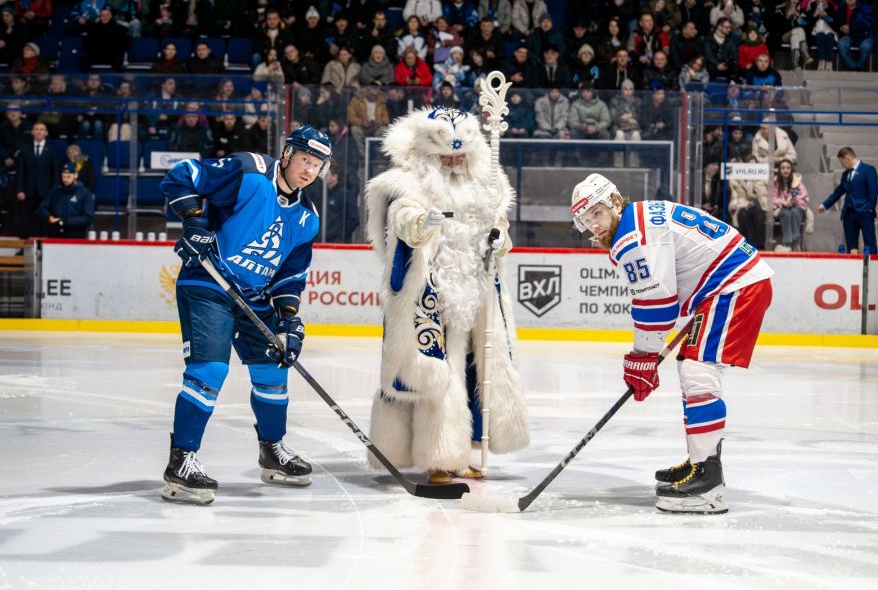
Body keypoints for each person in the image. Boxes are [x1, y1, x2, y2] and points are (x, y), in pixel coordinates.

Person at [569, 174, 773, 514]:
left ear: (616, 202)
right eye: (586, 221)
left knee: (697, 370)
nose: (594, 227)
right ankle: (699, 462)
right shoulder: (640, 219)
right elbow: (668, 295)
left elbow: (657, 304)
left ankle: (708, 482)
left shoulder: (632, 236)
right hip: (729, 284)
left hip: (734, 286)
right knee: (692, 367)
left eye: (597, 214)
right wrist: (645, 354)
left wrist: (642, 357)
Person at [159, 126, 332, 505]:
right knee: (210, 370)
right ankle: (181, 461)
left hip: (253, 299)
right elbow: (183, 175)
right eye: (304, 159)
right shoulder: (251, 172)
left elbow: (290, 276)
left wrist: (288, 320)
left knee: (273, 368)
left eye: (317, 165)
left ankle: (272, 451)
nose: (308, 171)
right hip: (208, 282)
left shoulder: (307, 217)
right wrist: (194, 222)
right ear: (287, 155)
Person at [365, 107, 529, 484]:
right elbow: (402, 223)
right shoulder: (406, 184)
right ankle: (439, 456)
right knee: (440, 372)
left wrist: (499, 239)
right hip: (431, 295)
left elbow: (500, 234)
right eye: (446, 157)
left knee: (474, 373)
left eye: (460, 156)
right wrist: (422, 225)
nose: (454, 163)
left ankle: (463, 451)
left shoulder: (487, 186)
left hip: (478, 293)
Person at [817, 146, 878, 254]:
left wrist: (869, 209)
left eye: (842, 162)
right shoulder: (845, 174)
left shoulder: (868, 170)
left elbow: (873, 191)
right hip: (849, 214)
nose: (842, 165)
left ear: (847, 159)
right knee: (851, 246)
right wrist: (824, 205)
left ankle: (872, 268)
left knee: (870, 244)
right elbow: (838, 192)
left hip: (865, 213)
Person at [14, 121, 60, 239]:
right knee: (25, 220)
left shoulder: (52, 150)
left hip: (47, 192)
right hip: (28, 191)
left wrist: (54, 192)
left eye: (41, 129)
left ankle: (47, 249)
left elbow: (55, 173)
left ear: (46, 133)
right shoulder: (24, 149)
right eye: (36, 129)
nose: (39, 131)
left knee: (47, 220)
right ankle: (23, 249)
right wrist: (20, 190)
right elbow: (20, 172)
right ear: (32, 132)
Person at [37, 163, 94, 239]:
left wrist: (66, 221)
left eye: (68, 176)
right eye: (63, 177)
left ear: (76, 175)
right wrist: (49, 217)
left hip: (75, 237)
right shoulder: (55, 191)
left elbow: (88, 217)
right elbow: (41, 208)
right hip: (55, 235)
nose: (65, 179)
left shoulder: (85, 193)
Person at [770, 159, 810, 251]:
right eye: (783, 168)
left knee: (794, 212)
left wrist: (794, 201)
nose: (785, 170)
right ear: (779, 170)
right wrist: (783, 202)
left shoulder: (798, 182)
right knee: (786, 213)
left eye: (788, 168)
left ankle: (796, 242)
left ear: (791, 169)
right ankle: (788, 243)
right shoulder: (775, 182)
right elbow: (772, 198)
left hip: (797, 208)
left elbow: (806, 199)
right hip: (782, 208)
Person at [836, 0, 875, 71]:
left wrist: (851, 28)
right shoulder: (841, 10)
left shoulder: (865, 8)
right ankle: (852, 67)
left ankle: (859, 67)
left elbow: (868, 23)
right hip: (850, 36)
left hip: (865, 35)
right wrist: (840, 28)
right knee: (841, 44)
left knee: (866, 47)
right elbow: (837, 24)